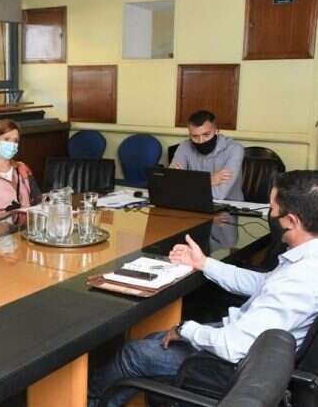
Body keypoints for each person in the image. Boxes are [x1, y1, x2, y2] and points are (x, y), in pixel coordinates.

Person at [88, 170, 318, 407]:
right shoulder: (307, 259)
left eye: (273, 210)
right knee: (154, 340)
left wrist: (186, 329)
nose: (270, 215)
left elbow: (232, 346)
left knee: (133, 353)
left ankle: (90, 400)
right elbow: (262, 283)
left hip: (234, 368)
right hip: (249, 348)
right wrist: (203, 263)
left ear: (292, 221)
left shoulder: (299, 280)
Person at [170, 110, 244, 201]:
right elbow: (171, 186)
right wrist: (208, 181)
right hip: (191, 202)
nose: (201, 141)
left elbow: (219, 194)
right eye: (195, 136)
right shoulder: (184, 146)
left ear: (216, 131)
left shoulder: (235, 149)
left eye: (206, 134)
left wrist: (186, 183)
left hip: (228, 204)